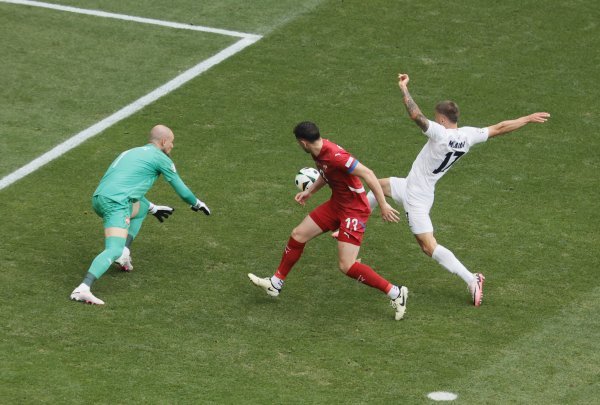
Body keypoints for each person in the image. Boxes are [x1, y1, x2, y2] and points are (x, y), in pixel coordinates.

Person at [365, 73, 550, 307]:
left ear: (442, 119)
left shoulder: (440, 134)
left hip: (416, 197)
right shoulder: (467, 136)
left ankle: (472, 279)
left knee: (428, 246)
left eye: (436, 118)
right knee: (377, 186)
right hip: (413, 186)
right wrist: (528, 118)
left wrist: (403, 88)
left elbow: (415, 115)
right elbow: (500, 127)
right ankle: (352, 227)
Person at [248, 121, 409, 320]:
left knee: (346, 265)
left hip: (354, 210)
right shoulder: (318, 151)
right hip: (337, 204)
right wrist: (310, 191)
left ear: (303, 142)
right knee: (298, 234)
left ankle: (396, 292)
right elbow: (326, 174)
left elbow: (368, 173)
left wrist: (383, 204)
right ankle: (276, 283)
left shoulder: (336, 156)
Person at [70, 124, 211, 305]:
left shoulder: (130, 152)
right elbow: (182, 191)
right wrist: (196, 203)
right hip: (116, 204)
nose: (172, 146)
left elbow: (124, 184)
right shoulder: (161, 158)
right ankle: (83, 288)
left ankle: (124, 253)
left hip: (99, 198)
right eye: (171, 142)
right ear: (163, 141)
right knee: (113, 248)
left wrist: (152, 208)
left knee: (142, 208)